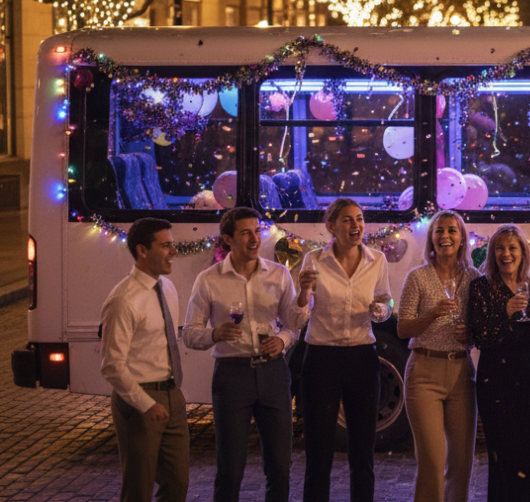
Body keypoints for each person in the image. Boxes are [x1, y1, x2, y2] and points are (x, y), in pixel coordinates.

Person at [182, 207, 307, 502]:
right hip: (232, 376)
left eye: (257, 231)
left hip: (273, 374)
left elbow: (294, 324)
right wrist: (215, 334)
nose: (255, 238)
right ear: (228, 239)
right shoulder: (209, 279)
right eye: (246, 233)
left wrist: (282, 341)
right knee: (230, 468)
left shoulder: (279, 274)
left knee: (279, 466)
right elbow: (189, 333)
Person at [295, 198, 393, 502]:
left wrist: (380, 310)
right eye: (348, 219)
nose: (356, 225)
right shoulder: (313, 259)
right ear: (331, 226)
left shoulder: (377, 260)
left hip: (362, 357)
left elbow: (387, 301)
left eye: (360, 218)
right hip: (321, 358)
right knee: (319, 451)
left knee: (363, 452)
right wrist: (303, 290)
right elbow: (300, 314)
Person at [466, 224, 530, 502]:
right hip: (494, 378)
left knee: (526, 453)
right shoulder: (480, 287)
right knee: (502, 454)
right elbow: (481, 338)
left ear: (523, 253)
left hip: (526, 376)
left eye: (512, 248)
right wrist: (504, 313)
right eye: (500, 248)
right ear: (492, 253)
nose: (506, 254)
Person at [100, 217, 189, 502]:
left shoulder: (169, 288)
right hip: (140, 400)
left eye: (172, 244)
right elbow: (112, 365)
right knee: (138, 489)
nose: (173, 251)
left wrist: (173, 397)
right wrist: (146, 404)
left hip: (173, 395)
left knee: (177, 485)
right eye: (165, 246)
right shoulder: (123, 300)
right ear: (142, 250)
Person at [396, 210, 479, 502]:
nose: (445, 236)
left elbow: (480, 328)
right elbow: (403, 329)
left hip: (461, 374)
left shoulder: (474, 278)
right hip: (424, 373)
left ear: (462, 238)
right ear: (431, 238)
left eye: (452, 230)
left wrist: (469, 334)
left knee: (461, 461)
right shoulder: (417, 277)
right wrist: (432, 313)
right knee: (432, 460)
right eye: (439, 231)